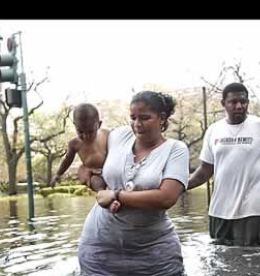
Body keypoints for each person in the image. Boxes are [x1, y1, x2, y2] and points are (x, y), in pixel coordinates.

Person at [77, 91, 189, 276]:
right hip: (100, 247)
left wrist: (116, 195)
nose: (137, 124)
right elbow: (91, 166)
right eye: (133, 117)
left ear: (162, 118)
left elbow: (166, 198)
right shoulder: (117, 136)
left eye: (145, 118)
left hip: (154, 252)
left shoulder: (175, 150)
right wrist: (91, 179)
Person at [188, 82, 260, 246]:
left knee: (255, 262)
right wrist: (180, 186)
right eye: (233, 102)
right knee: (221, 262)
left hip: (254, 211)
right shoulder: (213, 130)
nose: (239, 106)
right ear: (224, 104)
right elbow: (205, 170)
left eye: (243, 102)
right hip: (219, 211)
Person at [50, 103, 120, 211]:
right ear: (75, 125)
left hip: (111, 170)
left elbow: (118, 153)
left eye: (90, 131)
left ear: (99, 124)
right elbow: (67, 160)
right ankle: (108, 200)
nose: (85, 136)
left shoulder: (106, 134)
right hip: (95, 175)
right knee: (96, 182)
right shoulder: (75, 144)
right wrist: (58, 174)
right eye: (80, 131)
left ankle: (117, 195)